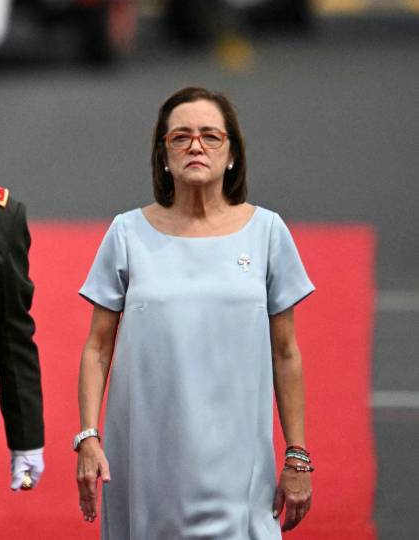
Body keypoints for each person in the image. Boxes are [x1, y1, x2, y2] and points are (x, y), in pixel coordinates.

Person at [74, 86, 315, 538]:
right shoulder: (127, 233)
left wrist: (297, 455)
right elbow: (97, 348)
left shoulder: (267, 232)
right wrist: (88, 438)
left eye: (210, 136)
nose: (196, 146)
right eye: (180, 137)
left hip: (240, 461)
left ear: (232, 155)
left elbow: (286, 354)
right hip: (147, 457)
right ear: (163, 155)